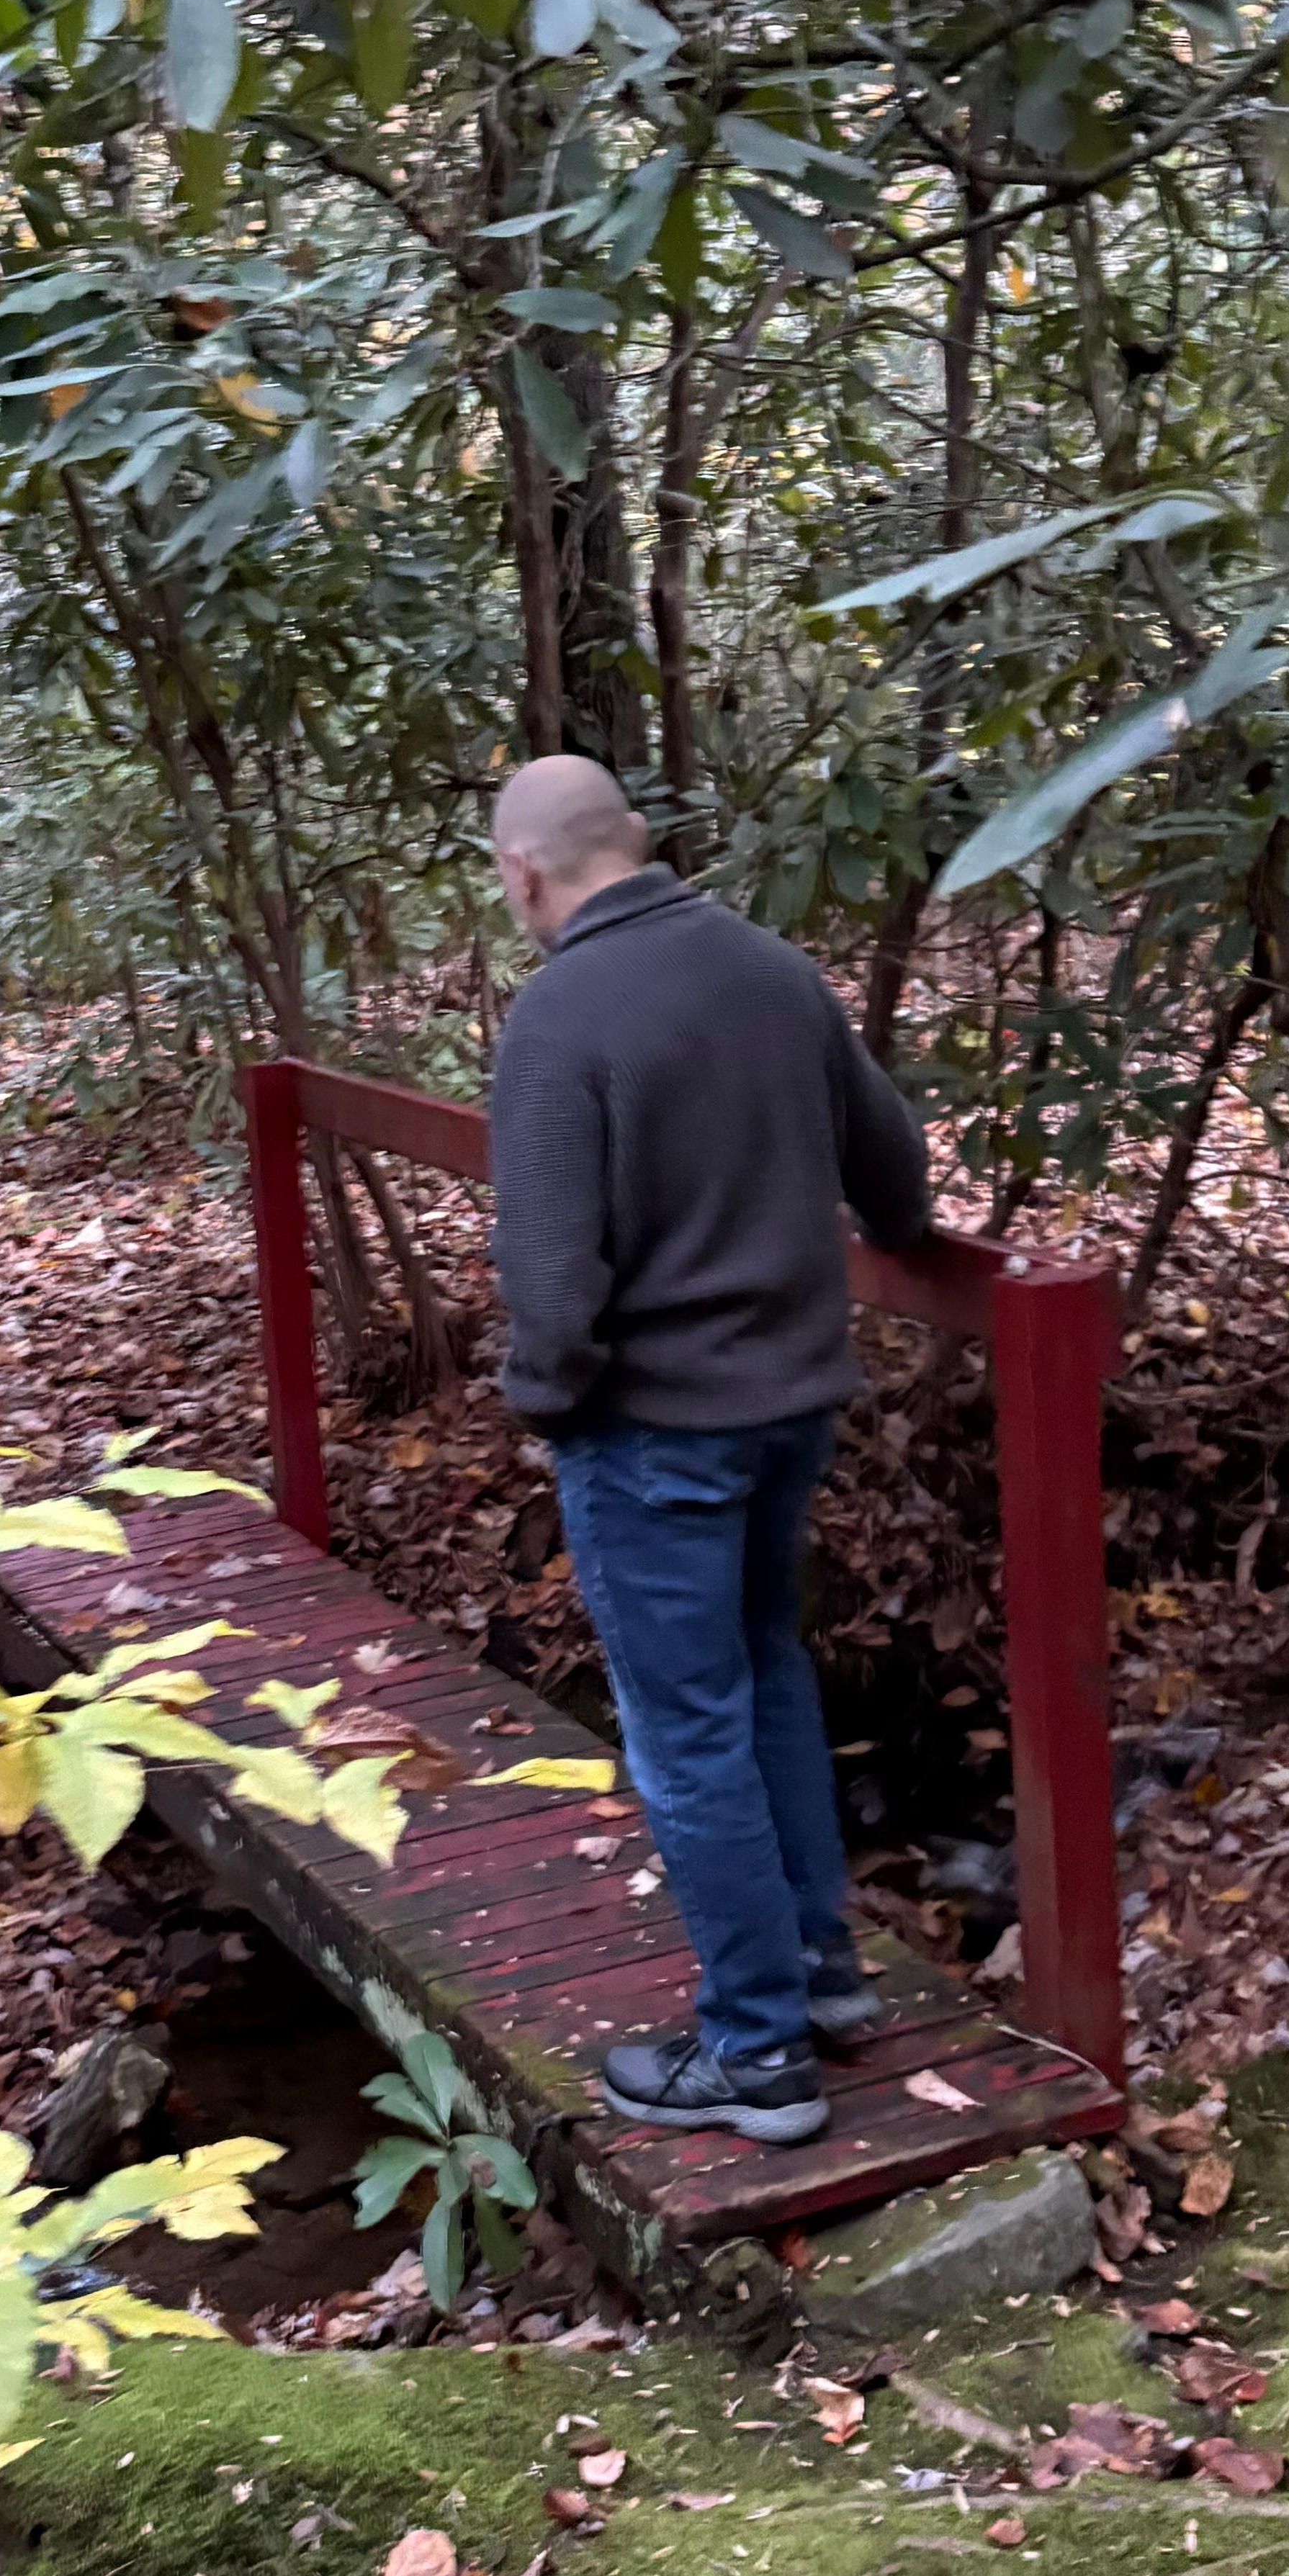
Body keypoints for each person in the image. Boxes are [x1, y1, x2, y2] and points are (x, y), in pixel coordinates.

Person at [487, 755, 933, 2147]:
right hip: (793, 1405)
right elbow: (898, 1181)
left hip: (654, 1431)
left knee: (688, 1731)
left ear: (525, 876)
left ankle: (756, 2052)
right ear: (637, 844)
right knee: (765, 1674)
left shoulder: (559, 1017)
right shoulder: (769, 969)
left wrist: (546, 1405)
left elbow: (554, 1282)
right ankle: (819, 1977)